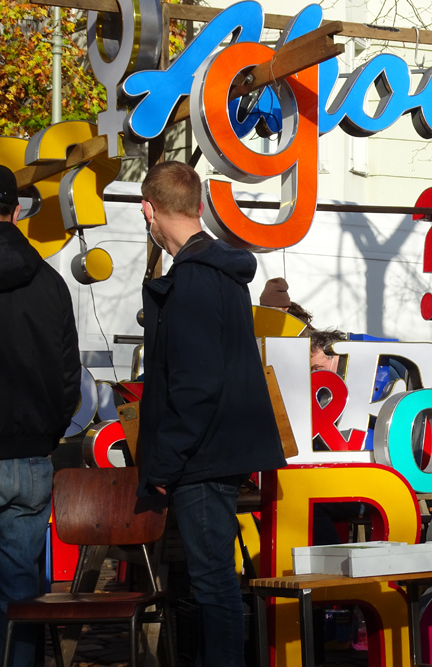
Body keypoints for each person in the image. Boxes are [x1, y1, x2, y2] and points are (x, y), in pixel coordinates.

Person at [137, 161, 286, 667]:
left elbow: (197, 385)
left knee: (213, 586)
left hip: (201, 457)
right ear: (199, 206)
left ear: (148, 210)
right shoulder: (221, 274)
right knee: (215, 583)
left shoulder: (196, 279)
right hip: (216, 453)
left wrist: (162, 461)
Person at [0, 166, 81, 667]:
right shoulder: (50, 284)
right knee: (22, 591)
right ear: (17, 208)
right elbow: (69, 377)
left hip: (28, 449)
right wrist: (47, 435)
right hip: (31, 456)